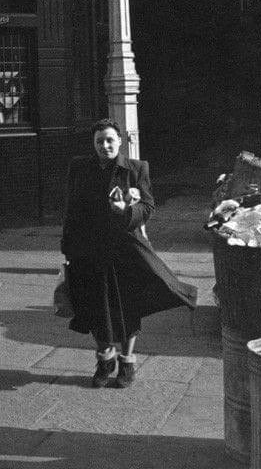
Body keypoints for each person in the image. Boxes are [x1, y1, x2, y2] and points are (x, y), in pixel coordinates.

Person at [60, 118, 197, 388]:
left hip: (125, 249)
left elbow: (148, 206)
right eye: (99, 141)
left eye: (110, 140)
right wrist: (67, 248)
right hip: (89, 250)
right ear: (93, 143)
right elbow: (71, 210)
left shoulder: (136, 169)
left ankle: (127, 361)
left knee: (127, 306)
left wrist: (126, 211)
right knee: (94, 306)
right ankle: (104, 358)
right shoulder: (80, 168)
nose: (105, 145)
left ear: (120, 141)